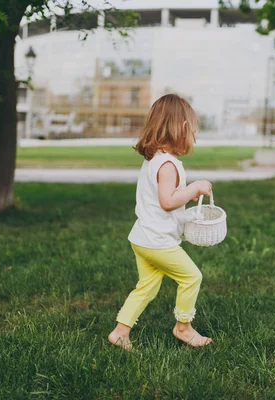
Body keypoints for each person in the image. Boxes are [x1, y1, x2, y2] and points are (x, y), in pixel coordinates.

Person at [108, 94, 213, 350]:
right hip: (157, 242)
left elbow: (160, 205)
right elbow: (167, 201)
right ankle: (183, 328)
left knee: (146, 287)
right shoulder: (168, 165)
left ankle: (120, 331)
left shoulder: (153, 160)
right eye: (192, 130)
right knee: (191, 277)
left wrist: (187, 203)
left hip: (142, 238)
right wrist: (194, 188)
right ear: (182, 128)